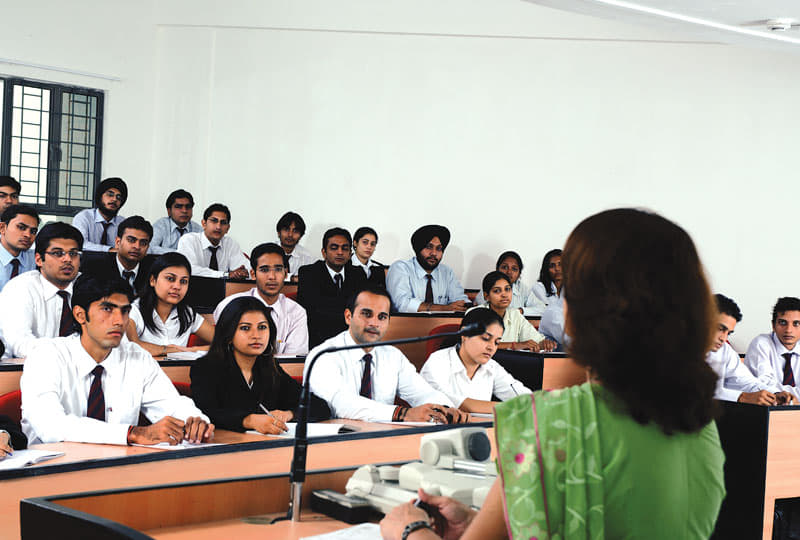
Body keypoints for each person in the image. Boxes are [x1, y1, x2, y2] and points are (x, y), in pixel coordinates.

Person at [381, 208, 725, 539]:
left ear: (577, 313)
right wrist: (478, 523)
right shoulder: (700, 425)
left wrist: (412, 530)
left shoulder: (548, 423)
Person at [20, 274, 214, 445]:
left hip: (119, 466)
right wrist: (131, 434)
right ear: (80, 315)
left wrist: (195, 422)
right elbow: (51, 426)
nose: (120, 321)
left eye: (125, 311)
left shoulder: (136, 357)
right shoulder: (46, 355)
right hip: (53, 467)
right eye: (107, 309)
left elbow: (171, 404)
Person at [306, 285, 469, 424]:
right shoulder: (324, 355)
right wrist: (403, 414)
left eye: (382, 317)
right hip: (334, 441)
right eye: (367, 314)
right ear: (348, 317)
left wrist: (445, 408)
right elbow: (341, 405)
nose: (374, 323)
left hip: (383, 437)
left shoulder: (393, 356)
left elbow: (422, 392)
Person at [191, 297, 330, 434]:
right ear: (228, 334)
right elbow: (206, 413)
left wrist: (289, 414)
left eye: (262, 327)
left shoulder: (270, 368)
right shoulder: (205, 368)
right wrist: (248, 420)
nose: (256, 335)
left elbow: (320, 406)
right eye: (245, 328)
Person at [420, 308, 532, 414]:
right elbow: (457, 404)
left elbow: (526, 399)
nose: (491, 347)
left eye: (496, 342)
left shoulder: (492, 367)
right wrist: (512, 407)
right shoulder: (437, 362)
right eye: (486, 339)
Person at [0, 222, 83, 359]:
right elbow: (20, 344)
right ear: (39, 260)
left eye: (73, 253)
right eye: (58, 253)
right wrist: (73, 352)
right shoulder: (20, 288)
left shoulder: (90, 286)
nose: (68, 259)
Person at [213, 242, 308, 355]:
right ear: (253, 274)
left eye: (278, 269)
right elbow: (222, 350)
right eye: (264, 270)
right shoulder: (229, 305)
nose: (272, 277)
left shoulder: (296, 312)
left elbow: (293, 359)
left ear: (286, 274)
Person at [708, 294, 794, 405]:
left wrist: (774, 393)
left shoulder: (724, 350)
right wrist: (742, 397)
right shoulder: (684, 348)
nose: (723, 338)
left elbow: (746, 382)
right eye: (720, 329)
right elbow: (697, 391)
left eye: (728, 333)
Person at [126, 252, 215, 357]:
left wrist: (191, 350)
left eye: (183, 281)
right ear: (152, 280)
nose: (177, 286)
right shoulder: (133, 310)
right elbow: (130, 346)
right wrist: (168, 350)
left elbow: (224, 341)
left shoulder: (187, 313)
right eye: (170, 279)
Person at [297, 227, 366, 348]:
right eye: (334, 248)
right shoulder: (309, 273)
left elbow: (362, 308)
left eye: (345, 248)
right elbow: (313, 312)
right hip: (319, 340)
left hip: (351, 340)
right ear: (324, 252)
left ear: (350, 253)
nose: (340, 252)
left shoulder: (358, 274)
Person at [386, 224, 469, 313]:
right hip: (406, 322)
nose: (434, 253)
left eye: (439, 248)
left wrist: (466, 306)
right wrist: (444, 308)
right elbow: (402, 305)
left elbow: (460, 300)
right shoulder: (400, 268)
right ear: (418, 249)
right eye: (429, 247)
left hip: (442, 321)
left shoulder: (446, 272)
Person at [471, 271, 555, 352]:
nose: (504, 295)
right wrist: (513, 345)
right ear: (486, 296)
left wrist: (543, 344)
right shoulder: (475, 313)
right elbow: (475, 344)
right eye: (497, 291)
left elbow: (536, 341)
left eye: (507, 289)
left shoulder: (515, 314)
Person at [80, 216, 156, 294]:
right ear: (118, 242)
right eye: (131, 240)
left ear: (148, 247)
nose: (137, 247)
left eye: (143, 243)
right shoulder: (95, 268)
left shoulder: (154, 271)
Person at [744, 297, 800, 402]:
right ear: (773, 325)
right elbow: (764, 386)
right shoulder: (761, 344)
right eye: (783, 323)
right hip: (766, 409)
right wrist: (792, 397)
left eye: (796, 324)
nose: (789, 330)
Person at [177, 203, 249, 279]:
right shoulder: (189, 240)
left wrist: (242, 273)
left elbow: (248, 269)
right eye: (214, 221)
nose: (218, 227)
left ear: (227, 228)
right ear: (204, 224)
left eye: (223, 223)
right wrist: (225, 275)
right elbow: (189, 269)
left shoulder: (230, 244)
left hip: (223, 286)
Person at [473, 251, 544, 315]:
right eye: (504, 267)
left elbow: (542, 308)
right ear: (497, 269)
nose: (509, 272)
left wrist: (520, 311)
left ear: (519, 274)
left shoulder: (523, 289)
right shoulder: (489, 285)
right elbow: (482, 309)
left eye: (514, 269)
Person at [72, 177, 127, 252]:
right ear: (100, 197)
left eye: (118, 197)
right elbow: (80, 244)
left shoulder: (122, 223)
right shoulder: (84, 217)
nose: (114, 199)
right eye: (110, 194)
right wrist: (109, 249)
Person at [150, 189, 203, 254]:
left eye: (188, 207)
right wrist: (180, 253)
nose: (184, 211)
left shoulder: (198, 230)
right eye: (179, 207)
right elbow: (150, 248)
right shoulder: (161, 225)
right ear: (169, 211)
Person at [0, 205, 39, 291]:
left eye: (33, 231)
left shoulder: (35, 259)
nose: (28, 235)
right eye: (21, 227)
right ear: (2, 228)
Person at [276, 211, 316, 279]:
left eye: (295, 231)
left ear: (301, 236)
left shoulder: (308, 258)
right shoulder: (266, 253)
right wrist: (292, 279)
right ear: (278, 233)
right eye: (286, 230)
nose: (290, 235)